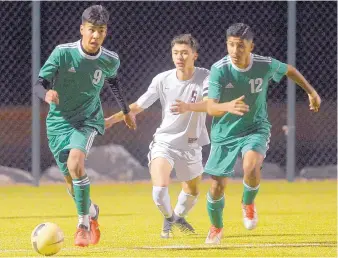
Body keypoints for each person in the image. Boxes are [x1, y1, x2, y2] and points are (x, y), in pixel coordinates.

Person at [202, 23, 321, 244]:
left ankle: (248, 204)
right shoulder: (220, 69)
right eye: (230, 45)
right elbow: (210, 107)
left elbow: (289, 70)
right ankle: (216, 227)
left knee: (251, 165)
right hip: (224, 133)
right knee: (217, 186)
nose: (235, 51)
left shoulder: (264, 64)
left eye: (240, 46)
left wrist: (312, 93)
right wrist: (227, 107)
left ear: (250, 46)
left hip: (255, 128)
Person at [33, 5, 136, 247]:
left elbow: (113, 82)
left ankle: (83, 225)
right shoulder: (62, 54)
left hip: (87, 120)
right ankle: (91, 211)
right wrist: (46, 95)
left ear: (106, 32)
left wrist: (126, 110)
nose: (96, 36)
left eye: (101, 31)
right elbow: (39, 83)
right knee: (70, 181)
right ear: (82, 29)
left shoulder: (110, 59)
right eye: (91, 30)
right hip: (58, 123)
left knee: (76, 163)